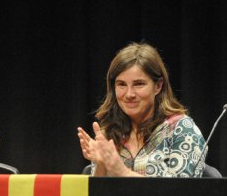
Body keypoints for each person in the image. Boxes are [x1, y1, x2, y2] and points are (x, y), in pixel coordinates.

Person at [77, 41, 207, 177]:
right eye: (121, 84)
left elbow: (183, 194)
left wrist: (122, 172)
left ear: (158, 86)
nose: (129, 94)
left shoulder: (182, 130)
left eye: (139, 84)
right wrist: (102, 166)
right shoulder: (108, 133)